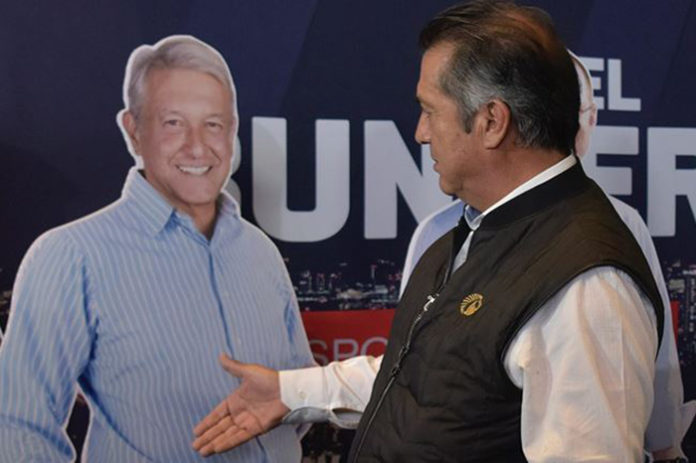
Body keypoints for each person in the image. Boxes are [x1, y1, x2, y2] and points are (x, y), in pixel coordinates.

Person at [193, 2, 665, 461]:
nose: (420, 132)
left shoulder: (587, 283)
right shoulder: (480, 230)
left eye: (430, 111)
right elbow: (430, 378)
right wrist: (289, 391)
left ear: (492, 122)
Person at [0, 35, 313, 462]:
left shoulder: (259, 251)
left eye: (213, 124)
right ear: (133, 130)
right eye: (173, 123)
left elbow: (297, 395)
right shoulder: (71, 256)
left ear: (232, 131)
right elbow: (18, 427)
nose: (197, 146)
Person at [398, 51, 691, 461]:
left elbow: (653, 361)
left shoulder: (616, 230)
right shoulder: (437, 234)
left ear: (590, 119)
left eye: (574, 112)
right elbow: (412, 363)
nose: (422, 133)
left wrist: (665, 448)